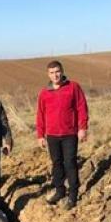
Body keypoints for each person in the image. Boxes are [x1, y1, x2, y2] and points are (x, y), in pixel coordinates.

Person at [36, 60, 89, 210]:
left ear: (62, 71)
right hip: (52, 135)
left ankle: (73, 194)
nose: (55, 75)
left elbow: (82, 108)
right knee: (56, 163)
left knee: (70, 162)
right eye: (52, 73)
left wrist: (82, 128)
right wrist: (40, 135)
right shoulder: (44, 93)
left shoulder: (73, 87)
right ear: (48, 74)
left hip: (70, 133)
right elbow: (40, 114)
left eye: (57, 71)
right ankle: (60, 190)